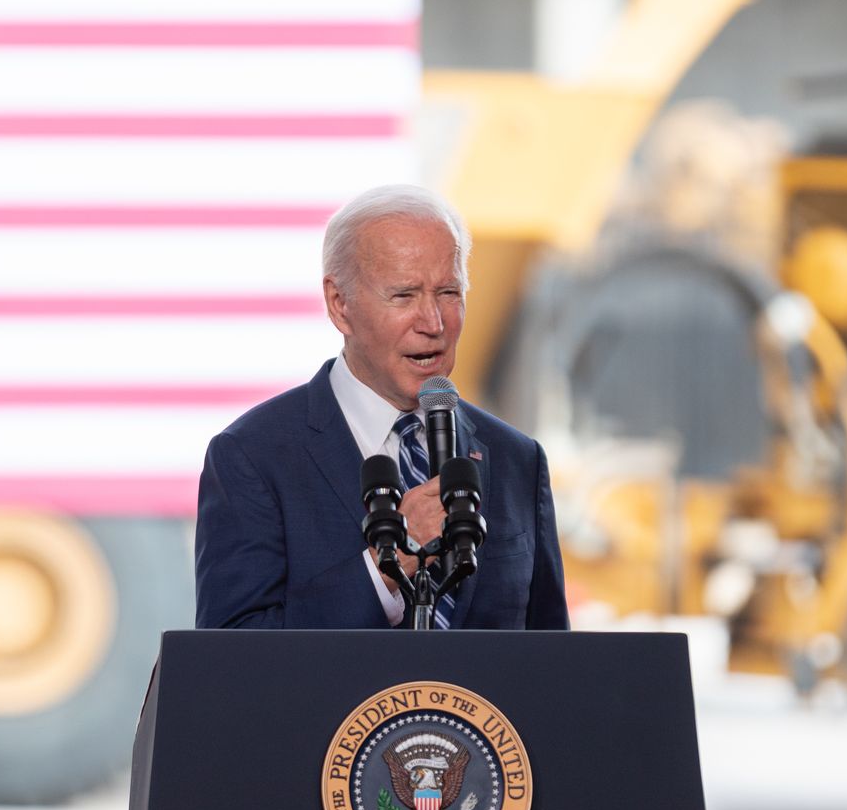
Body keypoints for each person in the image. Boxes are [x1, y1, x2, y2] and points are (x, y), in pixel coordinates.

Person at [194, 184, 568, 630]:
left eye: (448, 292)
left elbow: (551, 664)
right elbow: (232, 660)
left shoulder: (516, 460)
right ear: (340, 305)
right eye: (404, 296)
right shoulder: (254, 457)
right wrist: (390, 566)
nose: (433, 323)